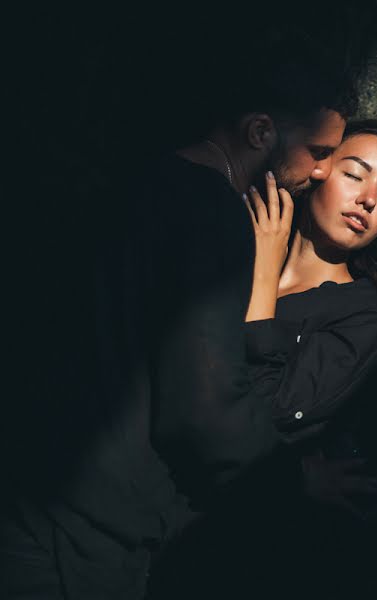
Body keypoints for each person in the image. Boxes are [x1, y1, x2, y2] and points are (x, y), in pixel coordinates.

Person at [0, 52, 357, 599]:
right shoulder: (213, 215)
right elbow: (203, 407)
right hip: (74, 539)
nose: (322, 171)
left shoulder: (129, 178)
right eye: (319, 153)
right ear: (260, 131)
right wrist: (295, 479)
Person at [144, 119, 377, 599]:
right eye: (355, 174)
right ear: (318, 171)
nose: (369, 199)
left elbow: (265, 406)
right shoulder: (228, 236)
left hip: (210, 542)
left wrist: (265, 271)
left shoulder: (369, 317)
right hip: (128, 496)